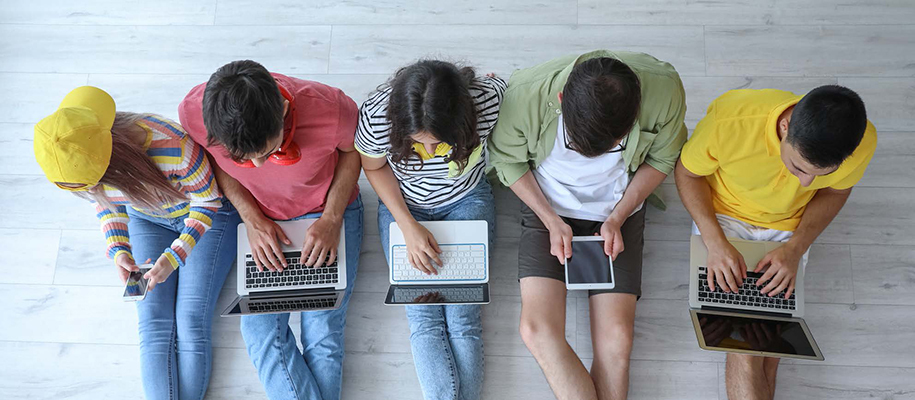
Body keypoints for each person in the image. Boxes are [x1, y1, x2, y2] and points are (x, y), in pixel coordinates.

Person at [489, 51, 688, 400]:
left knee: (618, 340)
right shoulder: (523, 95)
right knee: (536, 330)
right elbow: (508, 162)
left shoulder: (666, 90)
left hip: (620, 206)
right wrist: (550, 219)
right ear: (561, 100)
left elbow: (663, 159)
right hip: (546, 202)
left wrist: (618, 216)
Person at [33, 86, 238, 400]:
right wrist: (118, 249)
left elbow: (208, 201)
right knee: (153, 324)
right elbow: (106, 204)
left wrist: (175, 254)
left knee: (190, 321)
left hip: (207, 214)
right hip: (149, 219)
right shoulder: (80, 167)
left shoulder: (173, 146)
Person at [674, 85, 876, 400]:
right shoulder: (730, 121)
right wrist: (714, 241)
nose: (806, 182)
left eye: (818, 174)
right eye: (798, 168)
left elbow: (835, 192)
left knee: (761, 337)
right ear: (784, 127)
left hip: (791, 229)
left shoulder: (861, 140)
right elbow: (687, 174)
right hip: (724, 216)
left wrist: (796, 248)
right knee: (746, 340)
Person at [178, 60, 363, 400]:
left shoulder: (333, 108)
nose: (258, 165)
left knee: (322, 330)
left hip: (327, 212)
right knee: (258, 332)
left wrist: (332, 219)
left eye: (266, 151)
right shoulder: (192, 112)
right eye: (243, 158)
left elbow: (354, 153)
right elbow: (210, 163)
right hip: (263, 220)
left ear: (284, 111)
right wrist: (250, 216)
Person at [356, 60, 505, 400]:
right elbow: (373, 168)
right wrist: (408, 226)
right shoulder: (377, 116)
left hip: (466, 199)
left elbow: (507, 88)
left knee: (463, 315)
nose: (431, 152)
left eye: (439, 143)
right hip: (403, 206)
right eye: (419, 143)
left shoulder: (486, 102)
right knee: (423, 315)